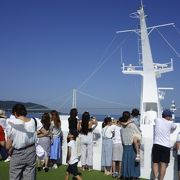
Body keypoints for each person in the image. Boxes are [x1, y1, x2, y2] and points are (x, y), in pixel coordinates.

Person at [5, 103, 48, 180]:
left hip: (18, 153)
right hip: (31, 151)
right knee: (30, 176)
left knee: (14, 176)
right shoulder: (35, 121)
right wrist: (35, 136)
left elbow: (8, 146)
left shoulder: (11, 123)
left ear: (15, 113)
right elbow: (45, 133)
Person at [152, 109, 177, 180]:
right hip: (166, 146)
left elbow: (155, 120)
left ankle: (155, 178)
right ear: (168, 117)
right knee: (163, 164)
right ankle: (161, 179)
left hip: (156, 144)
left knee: (155, 162)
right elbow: (175, 127)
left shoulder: (157, 120)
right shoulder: (171, 123)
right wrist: (170, 121)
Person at [120, 111, 140, 179]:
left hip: (125, 145)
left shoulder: (122, 126)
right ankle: (133, 175)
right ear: (129, 116)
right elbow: (138, 133)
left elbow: (121, 136)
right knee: (133, 162)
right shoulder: (132, 125)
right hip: (132, 146)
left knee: (125, 161)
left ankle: (125, 175)